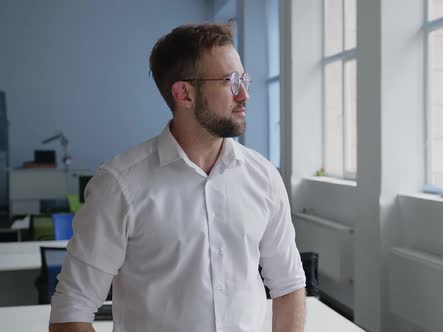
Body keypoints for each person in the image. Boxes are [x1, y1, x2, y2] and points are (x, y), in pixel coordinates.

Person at [49, 23, 306, 332]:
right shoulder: (119, 185)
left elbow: (289, 284)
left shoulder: (263, 177)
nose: (244, 94)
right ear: (184, 93)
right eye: (230, 81)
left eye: (243, 79)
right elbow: (71, 310)